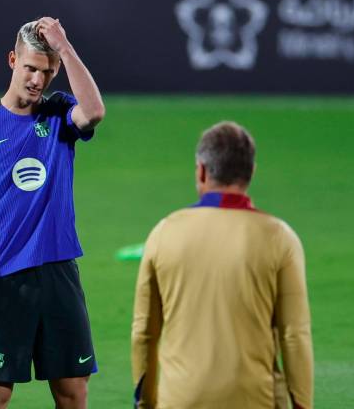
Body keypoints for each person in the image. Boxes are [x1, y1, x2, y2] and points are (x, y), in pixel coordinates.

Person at [0, 17, 105, 408]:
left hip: (59, 272)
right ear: (12, 60)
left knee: (73, 390)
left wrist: (65, 47)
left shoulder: (60, 113)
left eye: (46, 71)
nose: (37, 80)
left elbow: (94, 111)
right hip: (5, 279)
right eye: (30, 67)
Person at [131, 121, 314, 409]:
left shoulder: (164, 233)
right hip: (255, 399)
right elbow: (295, 334)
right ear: (250, 172)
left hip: (180, 399)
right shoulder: (280, 238)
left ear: (202, 171)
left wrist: (145, 403)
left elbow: (145, 332)